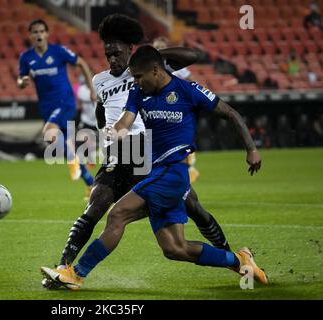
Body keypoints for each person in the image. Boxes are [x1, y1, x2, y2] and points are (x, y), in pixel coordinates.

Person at [41, 45, 268, 290]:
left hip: (173, 173)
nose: (135, 82)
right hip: (158, 171)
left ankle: (76, 274)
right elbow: (124, 123)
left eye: (139, 77)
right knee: (174, 248)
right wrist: (111, 133)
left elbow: (231, 113)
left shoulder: (188, 90)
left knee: (118, 214)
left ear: (156, 70)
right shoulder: (138, 93)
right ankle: (239, 260)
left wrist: (251, 149)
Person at [18, 19, 95, 197]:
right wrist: (22, 82)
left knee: (49, 132)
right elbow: (21, 79)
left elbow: (81, 62)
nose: (38, 35)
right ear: (30, 35)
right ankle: (91, 184)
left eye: (41, 31)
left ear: (46, 34)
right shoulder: (26, 57)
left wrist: (92, 89)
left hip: (65, 102)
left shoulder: (58, 51)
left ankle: (72, 160)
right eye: (34, 32)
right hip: (46, 107)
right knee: (62, 144)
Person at [152, 36, 200, 182]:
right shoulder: (148, 67)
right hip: (157, 109)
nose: (159, 50)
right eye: (156, 47)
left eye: (161, 47)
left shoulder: (176, 67)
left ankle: (188, 167)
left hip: (175, 109)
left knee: (177, 140)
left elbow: (193, 82)